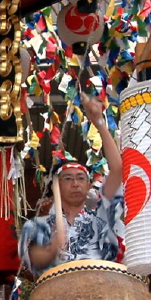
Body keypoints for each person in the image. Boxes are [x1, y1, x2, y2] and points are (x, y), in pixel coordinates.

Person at [18, 93, 124, 278]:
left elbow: (117, 171)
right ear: (55, 187)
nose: (75, 183)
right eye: (67, 179)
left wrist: (99, 122)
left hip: (106, 288)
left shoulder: (101, 214)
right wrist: (53, 248)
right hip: (59, 294)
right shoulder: (38, 226)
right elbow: (34, 259)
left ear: (89, 184)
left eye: (81, 178)